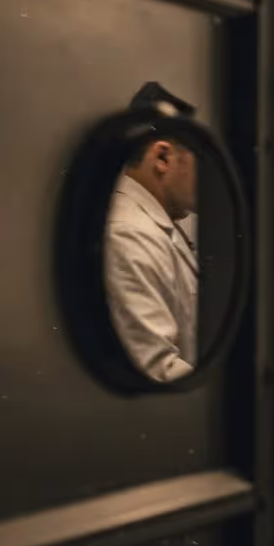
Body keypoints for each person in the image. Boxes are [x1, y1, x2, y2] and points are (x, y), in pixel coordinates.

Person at [105, 85, 200, 382]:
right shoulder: (127, 234)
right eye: (200, 159)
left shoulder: (152, 226)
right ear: (163, 157)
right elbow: (157, 367)